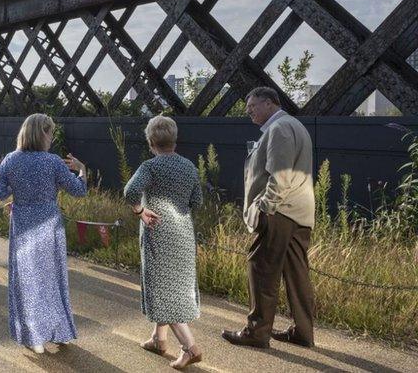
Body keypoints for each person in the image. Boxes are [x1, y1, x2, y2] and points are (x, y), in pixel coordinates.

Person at [223, 87, 315, 349]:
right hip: (299, 211)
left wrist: (265, 207)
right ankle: (303, 332)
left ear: (269, 103)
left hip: (280, 212)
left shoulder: (279, 129)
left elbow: (281, 174)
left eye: (252, 106)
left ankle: (256, 332)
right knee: (297, 274)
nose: (248, 111)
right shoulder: (294, 126)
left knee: (261, 268)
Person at [0, 113, 88, 354]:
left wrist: (18, 191)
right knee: (52, 279)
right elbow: (78, 191)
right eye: (50, 132)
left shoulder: (10, 160)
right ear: (43, 133)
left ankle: (33, 338)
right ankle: (60, 331)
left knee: (26, 281)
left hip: (23, 224)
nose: (52, 137)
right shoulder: (53, 161)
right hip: (49, 226)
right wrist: (82, 169)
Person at [124, 115, 203, 370]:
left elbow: (130, 191)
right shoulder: (189, 167)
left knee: (161, 288)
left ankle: (190, 348)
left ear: (151, 142)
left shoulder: (150, 167)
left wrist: (139, 211)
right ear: (174, 140)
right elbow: (197, 201)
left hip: (157, 229)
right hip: (183, 233)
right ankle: (159, 339)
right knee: (174, 285)